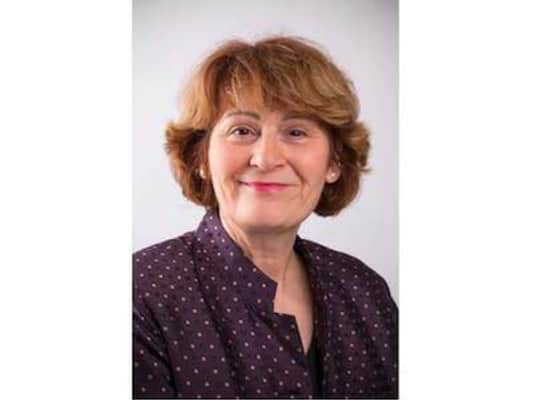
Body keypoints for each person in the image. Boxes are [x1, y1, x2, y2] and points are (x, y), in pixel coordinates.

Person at [133, 35, 398, 399]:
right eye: (242, 130)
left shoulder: (365, 292)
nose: (266, 158)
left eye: (296, 132)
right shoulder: (140, 295)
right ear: (200, 157)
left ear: (334, 162)